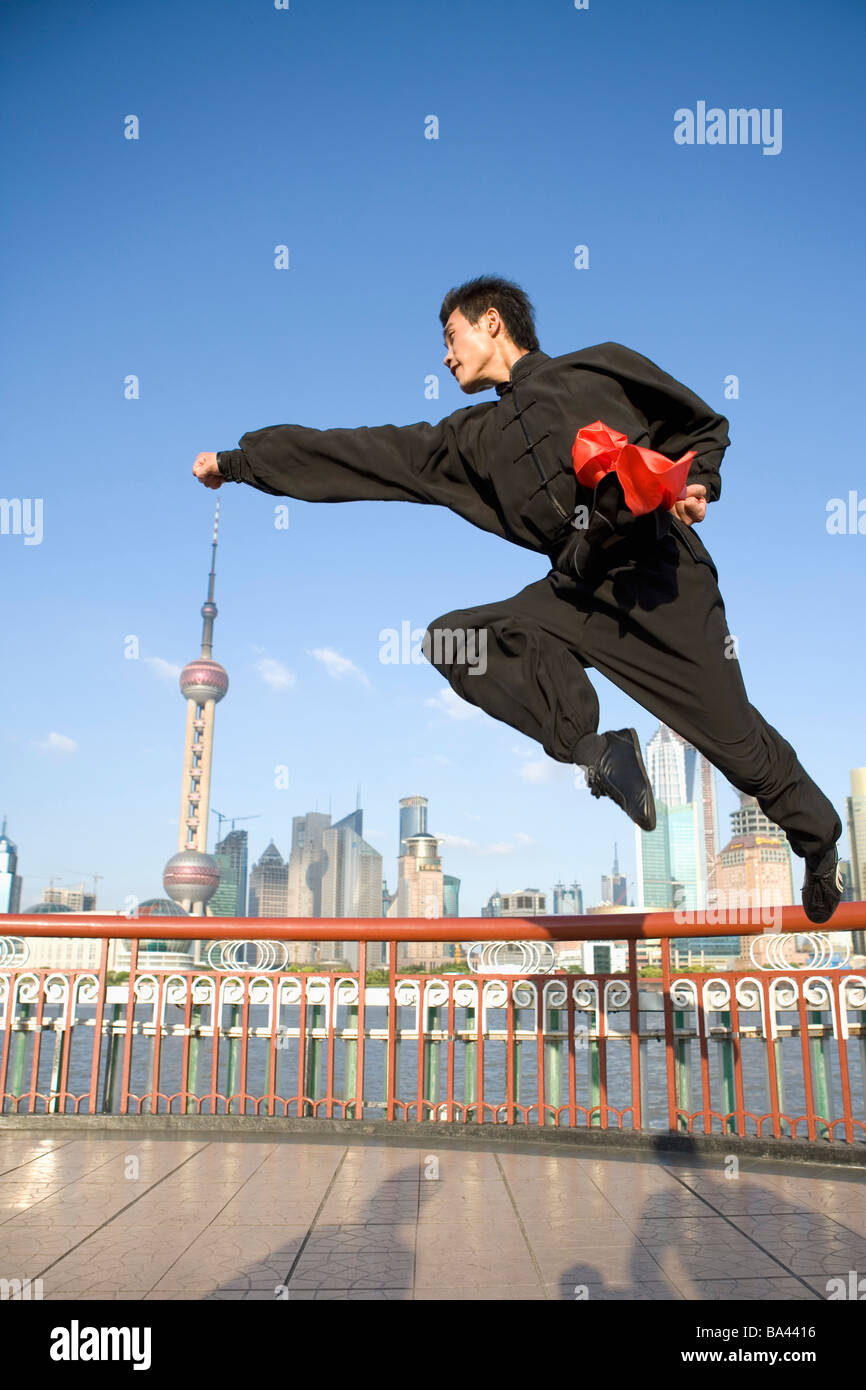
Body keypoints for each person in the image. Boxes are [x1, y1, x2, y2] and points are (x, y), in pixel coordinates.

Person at [193, 274, 843, 923]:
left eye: (451, 337)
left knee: (742, 752)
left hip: (662, 575)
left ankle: (819, 844)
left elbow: (700, 423)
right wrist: (242, 462)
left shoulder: (599, 369)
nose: (445, 356)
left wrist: (697, 482)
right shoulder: (470, 441)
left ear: (492, 323)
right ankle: (596, 749)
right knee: (456, 639)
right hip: (579, 588)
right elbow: (362, 454)